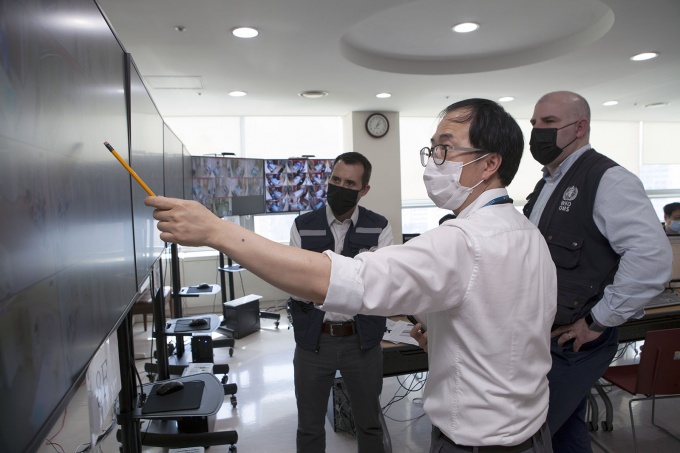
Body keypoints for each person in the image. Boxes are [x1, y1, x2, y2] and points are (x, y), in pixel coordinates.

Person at [146, 98, 557, 452]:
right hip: (533, 434)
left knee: (368, 420)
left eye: (445, 149)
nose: (434, 161)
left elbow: (345, 281)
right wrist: (445, 334)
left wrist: (218, 231)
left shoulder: (462, 240)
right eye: (432, 148)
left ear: (489, 163)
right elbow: (504, 321)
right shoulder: (527, 233)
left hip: (477, 443)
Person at [524, 91, 672, 452]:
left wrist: (597, 321)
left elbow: (651, 259)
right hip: (544, 338)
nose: (538, 131)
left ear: (580, 128)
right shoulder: (548, 183)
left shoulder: (608, 179)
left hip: (574, 342)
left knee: (529, 438)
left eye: (549, 122)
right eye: (534, 123)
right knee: (566, 434)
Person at [288, 151, 393, 453]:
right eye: (336, 179)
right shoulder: (302, 225)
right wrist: (353, 282)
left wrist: (321, 282)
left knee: (369, 424)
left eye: (350, 183)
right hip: (313, 342)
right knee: (309, 427)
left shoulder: (379, 226)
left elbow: (379, 286)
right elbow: (297, 288)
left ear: (364, 190)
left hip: (362, 343)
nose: (340, 187)